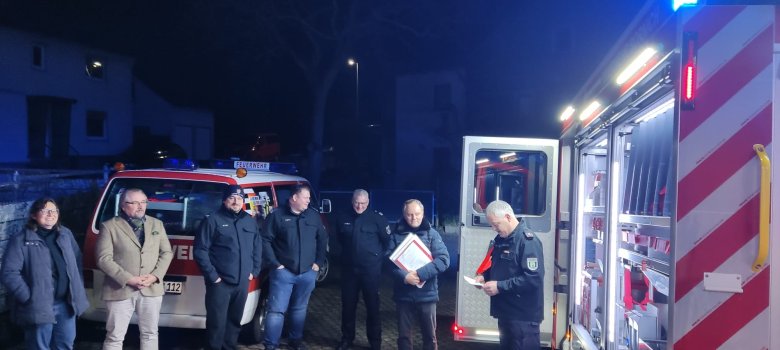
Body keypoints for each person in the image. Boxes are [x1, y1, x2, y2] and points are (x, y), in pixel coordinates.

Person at [1, 197, 89, 350]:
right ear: (34, 215)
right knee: (40, 346)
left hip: (66, 304)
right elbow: (9, 273)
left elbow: (76, 261)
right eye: (45, 211)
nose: (51, 214)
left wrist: (77, 288)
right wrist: (28, 296)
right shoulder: (21, 240)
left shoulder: (65, 235)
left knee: (65, 344)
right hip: (38, 306)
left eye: (54, 211)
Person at [96, 188, 173, 350]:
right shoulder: (109, 226)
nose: (140, 206)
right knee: (115, 337)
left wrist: (155, 276)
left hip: (151, 288)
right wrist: (128, 279)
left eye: (143, 202)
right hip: (120, 288)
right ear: (123, 206)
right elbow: (103, 259)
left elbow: (166, 253)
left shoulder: (157, 224)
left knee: (150, 334)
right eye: (135, 202)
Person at [194, 184, 262, 350]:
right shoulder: (213, 220)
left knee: (234, 322)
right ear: (224, 200)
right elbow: (200, 251)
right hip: (220, 283)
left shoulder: (249, 221)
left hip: (242, 282)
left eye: (239, 198)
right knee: (216, 323)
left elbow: (258, 247)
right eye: (232, 198)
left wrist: (254, 271)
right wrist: (213, 276)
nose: (236, 201)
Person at [262, 184, 328, 350]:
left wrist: (318, 263)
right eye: (305, 197)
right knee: (276, 311)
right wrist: (275, 264)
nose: (308, 201)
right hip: (283, 273)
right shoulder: (277, 216)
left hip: (307, 272)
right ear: (294, 198)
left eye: (309, 198)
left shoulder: (313, 216)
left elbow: (322, 239)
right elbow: (265, 240)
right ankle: (271, 345)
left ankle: (295, 342)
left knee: (299, 309)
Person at [474, 200, 544, 350]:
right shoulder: (501, 240)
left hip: (523, 318)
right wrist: (484, 277)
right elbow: (497, 266)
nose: (493, 229)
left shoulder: (527, 241)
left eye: (496, 224)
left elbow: (533, 279)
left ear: (507, 217)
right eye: (491, 225)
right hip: (507, 314)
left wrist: (499, 286)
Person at [386, 199, 449, 350]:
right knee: (404, 337)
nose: (414, 218)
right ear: (404, 214)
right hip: (404, 295)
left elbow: (443, 260)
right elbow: (387, 262)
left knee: (429, 337)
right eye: (409, 214)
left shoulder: (432, 234)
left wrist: (420, 274)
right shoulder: (395, 235)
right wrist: (404, 276)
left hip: (427, 295)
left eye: (417, 214)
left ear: (423, 213)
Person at [335, 189, 390, 350]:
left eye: (363, 203)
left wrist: (376, 259)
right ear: (352, 201)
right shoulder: (343, 216)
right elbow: (339, 239)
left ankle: (375, 342)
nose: (359, 206)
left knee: (372, 307)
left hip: (370, 271)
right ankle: (347, 339)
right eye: (357, 203)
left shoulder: (377, 219)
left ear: (368, 202)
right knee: (348, 306)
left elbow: (387, 242)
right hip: (349, 271)